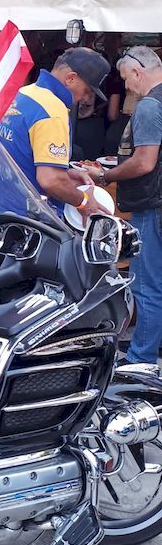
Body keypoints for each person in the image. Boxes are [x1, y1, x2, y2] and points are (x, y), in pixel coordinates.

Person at [91, 46, 162, 369]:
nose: (127, 87)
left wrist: (105, 176)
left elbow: (144, 162)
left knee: (147, 285)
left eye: (125, 79)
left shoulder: (149, 105)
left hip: (153, 204)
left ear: (137, 72)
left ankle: (140, 360)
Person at [0, 47, 110, 218]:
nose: (86, 98)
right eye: (87, 91)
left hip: (0, 206)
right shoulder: (52, 111)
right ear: (71, 79)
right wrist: (84, 201)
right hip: (31, 219)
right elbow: (50, 180)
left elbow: (23, 158)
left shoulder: (23, 93)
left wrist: (65, 173)